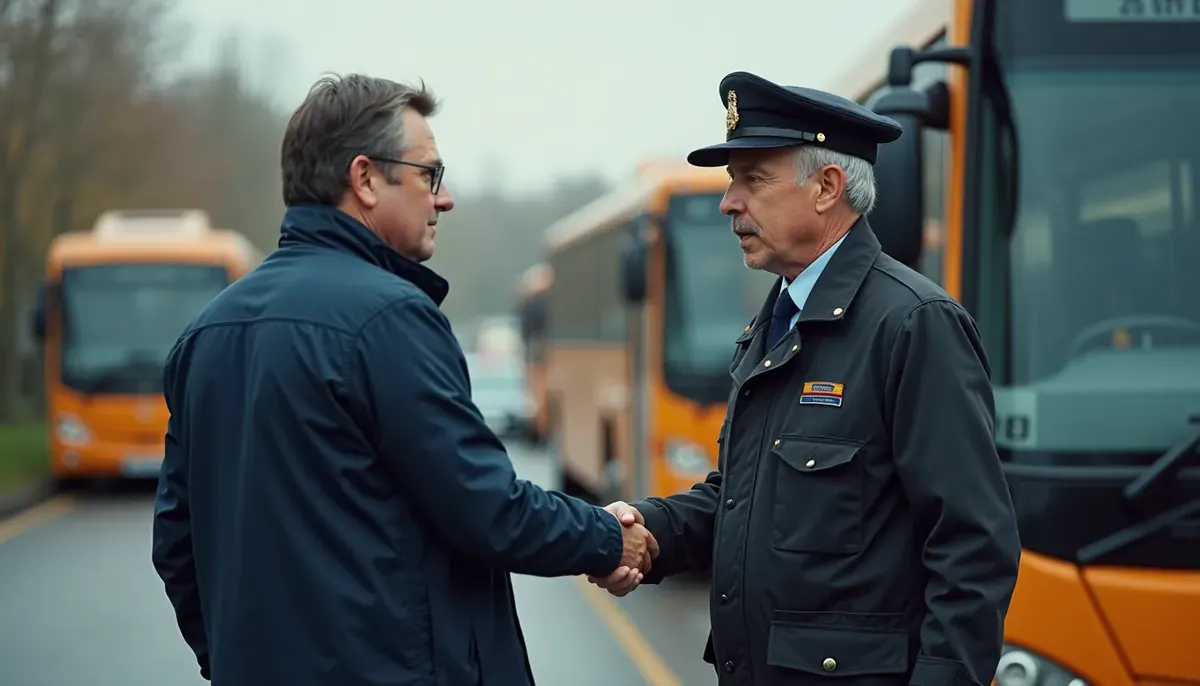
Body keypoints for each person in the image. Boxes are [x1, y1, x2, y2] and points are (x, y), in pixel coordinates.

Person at [150, 73, 656, 686]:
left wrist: (230, 659)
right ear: (364, 179)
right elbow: (485, 507)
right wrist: (607, 538)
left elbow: (178, 542)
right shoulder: (390, 319)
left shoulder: (207, 333)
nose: (444, 199)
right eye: (428, 175)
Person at [590, 71, 1021, 686]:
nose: (728, 202)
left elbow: (972, 551)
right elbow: (744, 499)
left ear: (826, 187)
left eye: (753, 179)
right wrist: (644, 529)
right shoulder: (776, 322)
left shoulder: (913, 325)